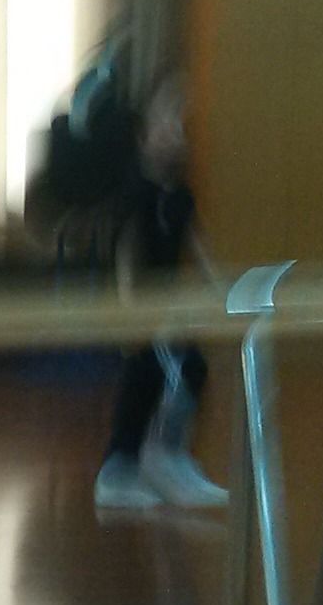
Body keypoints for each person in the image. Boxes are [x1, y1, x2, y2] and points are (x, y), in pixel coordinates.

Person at [95, 79, 229, 515]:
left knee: (191, 369)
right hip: (145, 309)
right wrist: (131, 313)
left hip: (169, 309)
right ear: (142, 136)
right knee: (158, 377)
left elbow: (199, 249)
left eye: (181, 125)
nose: (176, 133)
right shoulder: (134, 195)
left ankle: (165, 458)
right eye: (166, 122)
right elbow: (125, 256)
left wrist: (223, 294)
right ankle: (127, 468)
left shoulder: (180, 196)